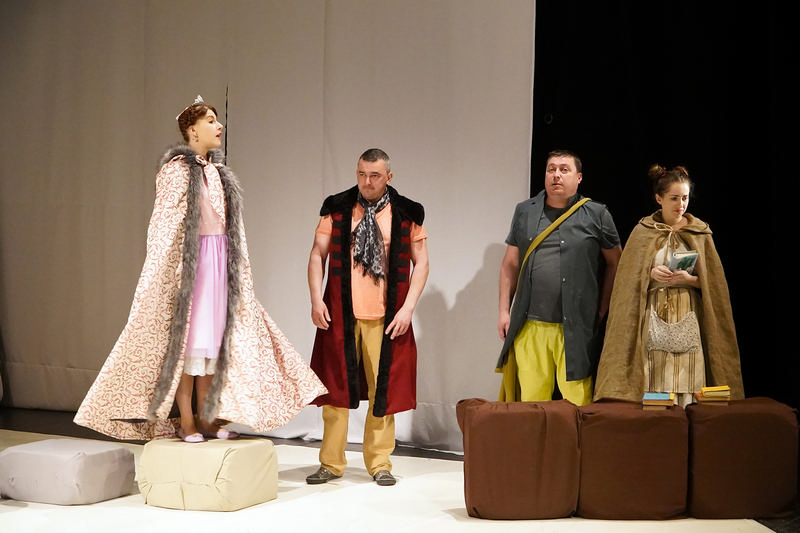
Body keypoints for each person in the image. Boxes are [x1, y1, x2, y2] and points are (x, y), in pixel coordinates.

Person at [74, 96, 326, 441]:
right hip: (193, 265)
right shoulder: (177, 171)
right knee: (189, 345)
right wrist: (171, 273)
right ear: (192, 130)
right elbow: (164, 226)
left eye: (217, 120)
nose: (218, 126)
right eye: (210, 120)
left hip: (219, 260)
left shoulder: (219, 173)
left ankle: (208, 418)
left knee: (213, 342)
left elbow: (229, 226)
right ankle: (188, 421)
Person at [306, 148, 429, 486]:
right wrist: (316, 299)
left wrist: (408, 308)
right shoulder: (338, 208)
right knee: (335, 389)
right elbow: (317, 254)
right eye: (362, 174)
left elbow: (422, 263)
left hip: (386, 317)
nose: (367, 181)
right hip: (341, 314)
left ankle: (379, 463)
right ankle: (331, 463)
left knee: (383, 392)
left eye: (375, 175)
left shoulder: (406, 212)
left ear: (388, 177)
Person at [594, 164, 744, 405]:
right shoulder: (643, 231)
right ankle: (660, 424)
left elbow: (714, 284)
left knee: (688, 373)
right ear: (659, 198)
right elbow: (628, 278)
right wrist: (650, 273)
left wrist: (690, 280)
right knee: (657, 372)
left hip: (688, 311)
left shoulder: (699, 233)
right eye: (674, 198)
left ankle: (687, 416)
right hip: (655, 311)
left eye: (684, 198)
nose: (680, 204)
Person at [496, 149, 622, 405]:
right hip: (529, 324)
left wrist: (602, 308)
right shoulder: (525, 211)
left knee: (578, 403)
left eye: (564, 170)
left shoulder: (597, 214)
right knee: (532, 404)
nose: (556, 175)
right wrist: (503, 311)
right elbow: (510, 264)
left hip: (576, 327)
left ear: (579, 177)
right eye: (551, 169)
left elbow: (616, 263)